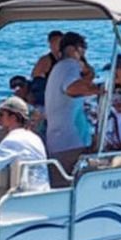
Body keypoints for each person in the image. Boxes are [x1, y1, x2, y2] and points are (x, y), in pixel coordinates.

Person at [44, 31, 104, 179]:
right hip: (70, 143)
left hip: (59, 142)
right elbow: (72, 88)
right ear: (72, 49)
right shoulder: (70, 65)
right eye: (83, 47)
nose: (84, 52)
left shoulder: (58, 68)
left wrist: (89, 74)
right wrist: (98, 91)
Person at [29, 30, 64, 112]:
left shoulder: (69, 59)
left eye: (58, 41)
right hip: (47, 98)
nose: (56, 45)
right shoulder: (45, 60)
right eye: (53, 42)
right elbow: (35, 78)